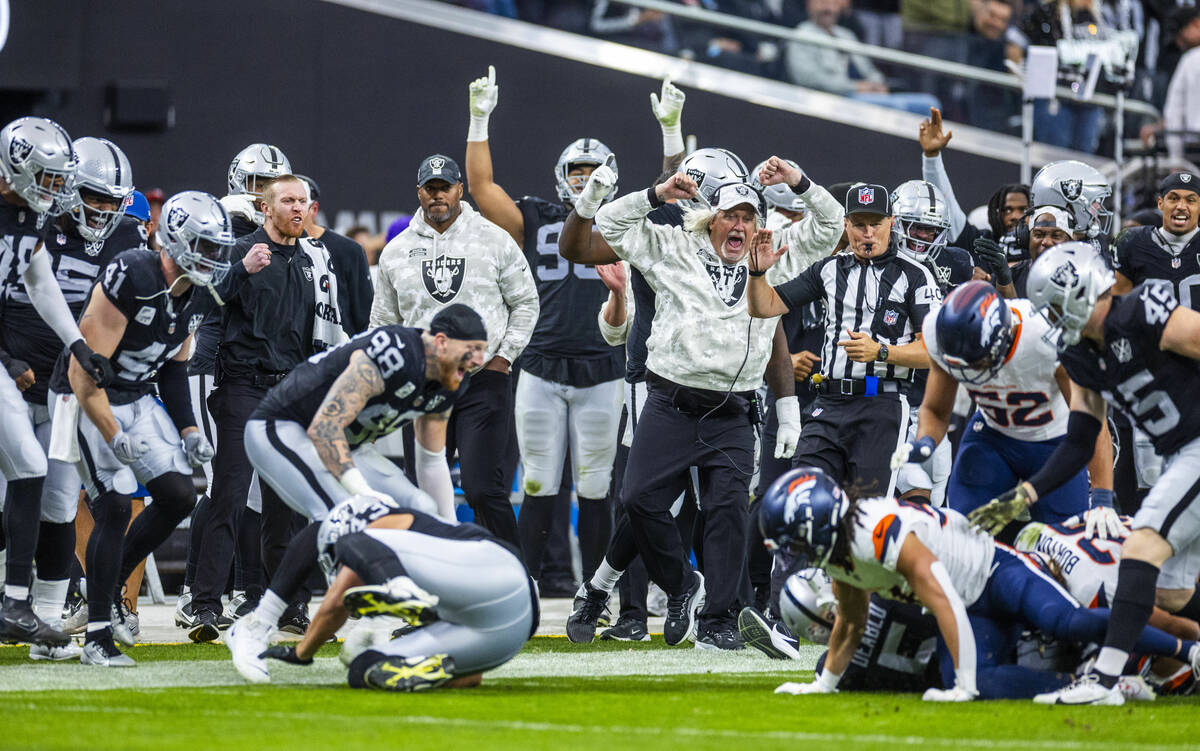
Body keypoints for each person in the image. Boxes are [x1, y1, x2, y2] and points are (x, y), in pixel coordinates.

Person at [566, 157, 839, 650]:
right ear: (711, 217)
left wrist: (800, 181)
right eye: (730, 215)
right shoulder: (673, 245)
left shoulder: (771, 251)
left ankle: (716, 622)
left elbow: (830, 225)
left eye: (748, 216)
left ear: (759, 223)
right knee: (638, 499)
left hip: (733, 410)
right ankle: (683, 585)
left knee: (727, 512)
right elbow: (602, 227)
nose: (739, 224)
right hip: (669, 400)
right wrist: (654, 194)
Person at [973, 241, 1200, 704]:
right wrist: (1025, 496)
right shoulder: (1079, 353)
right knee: (1169, 596)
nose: (1052, 318)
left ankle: (1104, 682)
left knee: (1141, 547)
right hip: (1181, 453)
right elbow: (1080, 440)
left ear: (1080, 290)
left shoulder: (1143, 312)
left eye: (1054, 306)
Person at [759, 466, 1200, 701]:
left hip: (993, 573)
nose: (795, 553)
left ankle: (1187, 652)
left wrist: (961, 682)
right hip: (969, 606)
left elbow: (943, 596)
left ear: (817, 525)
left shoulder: (878, 531)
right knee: (987, 686)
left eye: (795, 541)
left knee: (1063, 620)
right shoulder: (840, 551)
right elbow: (851, 623)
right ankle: (1099, 683)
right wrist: (823, 686)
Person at [224, 305, 488, 678]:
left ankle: (376, 627)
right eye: (473, 347)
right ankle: (256, 625)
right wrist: (362, 493)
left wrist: (446, 535)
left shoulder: (446, 381)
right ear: (441, 342)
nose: (479, 359)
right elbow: (325, 427)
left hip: (348, 444)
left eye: (483, 349)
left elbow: (431, 462)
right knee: (338, 512)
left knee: (418, 506)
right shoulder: (395, 350)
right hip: (285, 426)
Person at [53, 190, 231, 666]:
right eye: (204, 246)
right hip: (84, 394)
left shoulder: (199, 293)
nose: (213, 258)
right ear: (173, 241)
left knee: (177, 495)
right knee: (113, 505)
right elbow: (82, 372)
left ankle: (105, 589)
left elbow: (173, 369)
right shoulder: (133, 273)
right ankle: (95, 636)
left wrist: (191, 429)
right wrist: (113, 433)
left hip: (136, 394)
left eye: (218, 248)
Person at [463, 66, 623, 590]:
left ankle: (594, 596)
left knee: (597, 487)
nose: (583, 178)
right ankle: (525, 588)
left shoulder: (625, 221)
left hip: (604, 369)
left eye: (592, 170)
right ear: (561, 174)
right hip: (541, 366)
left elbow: (673, 203)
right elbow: (481, 188)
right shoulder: (533, 216)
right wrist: (478, 120)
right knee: (537, 481)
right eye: (576, 170)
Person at [0, 136, 142, 660]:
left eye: (112, 200)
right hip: (14, 371)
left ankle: (46, 621)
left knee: (59, 501)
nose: (103, 210)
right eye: (94, 197)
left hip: (65, 386)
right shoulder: (34, 222)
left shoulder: (128, 236)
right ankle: (13, 600)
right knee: (10, 496)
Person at [189, 174, 343, 642]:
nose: (298, 209)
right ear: (265, 207)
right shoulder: (242, 251)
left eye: (303, 201)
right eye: (288, 201)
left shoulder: (315, 259)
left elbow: (323, 335)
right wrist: (240, 272)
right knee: (229, 496)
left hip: (289, 394)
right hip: (241, 387)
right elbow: (199, 300)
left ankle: (292, 606)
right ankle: (204, 606)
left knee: (286, 507)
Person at [370, 154, 539, 547]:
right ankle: (433, 577)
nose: (438, 196)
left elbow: (527, 303)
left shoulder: (494, 238)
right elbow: (382, 324)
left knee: (482, 488)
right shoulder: (396, 251)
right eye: (430, 189)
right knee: (423, 493)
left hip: (483, 379)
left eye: (445, 187)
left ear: (459, 189)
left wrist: (504, 358)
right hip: (423, 386)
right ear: (419, 193)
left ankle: (514, 576)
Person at [748, 181, 941, 500]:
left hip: (882, 406)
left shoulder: (915, 275)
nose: (868, 233)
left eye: (875, 224)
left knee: (862, 519)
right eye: (859, 224)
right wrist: (757, 275)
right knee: (802, 500)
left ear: (891, 224)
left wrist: (881, 351)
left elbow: (933, 351)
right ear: (846, 225)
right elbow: (764, 306)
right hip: (829, 404)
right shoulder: (827, 269)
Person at [228, 496, 535, 691]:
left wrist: (301, 652)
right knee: (364, 670)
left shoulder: (369, 533)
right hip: (507, 630)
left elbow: (336, 602)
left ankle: (399, 587)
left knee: (354, 543)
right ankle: (434, 667)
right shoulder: (412, 532)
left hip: (496, 571)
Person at [894, 280, 1118, 534]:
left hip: (1054, 443)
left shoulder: (1047, 336)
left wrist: (1102, 496)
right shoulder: (942, 333)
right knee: (962, 532)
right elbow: (935, 410)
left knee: (1064, 543)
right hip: (993, 437)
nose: (971, 371)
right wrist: (926, 442)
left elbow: (1092, 423)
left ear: (1005, 336)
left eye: (977, 362)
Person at [180, 144, 293, 632]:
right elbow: (202, 293)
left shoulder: (289, 242)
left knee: (258, 495)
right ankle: (199, 591)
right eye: (256, 186)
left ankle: (254, 591)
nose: (263, 197)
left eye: (274, 187)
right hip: (217, 366)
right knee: (221, 485)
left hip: (269, 375)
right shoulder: (220, 229)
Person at [786, 0, 940, 116]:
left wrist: (878, 85)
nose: (828, 8)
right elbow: (808, 78)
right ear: (809, 5)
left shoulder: (846, 35)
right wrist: (855, 87)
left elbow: (869, 70)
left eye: (832, 2)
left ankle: (930, 156)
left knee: (930, 104)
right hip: (837, 98)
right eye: (822, 2)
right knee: (897, 108)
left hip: (868, 93)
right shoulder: (802, 35)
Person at [297, 174, 373, 335]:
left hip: (339, 354)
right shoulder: (271, 249)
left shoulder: (349, 251)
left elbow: (365, 318)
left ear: (314, 210)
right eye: (286, 202)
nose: (293, 210)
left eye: (301, 204)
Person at [1113, 172, 1200, 305]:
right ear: (1160, 203)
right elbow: (1118, 307)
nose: (1181, 207)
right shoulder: (1131, 242)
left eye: (1190, 200)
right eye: (1174, 199)